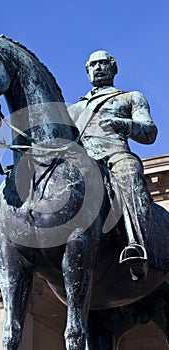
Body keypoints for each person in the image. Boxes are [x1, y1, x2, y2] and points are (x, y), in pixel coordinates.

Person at [68, 50, 158, 279]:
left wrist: (124, 124)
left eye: (102, 64)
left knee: (130, 174)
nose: (98, 68)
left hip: (115, 156)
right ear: (87, 71)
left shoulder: (130, 97)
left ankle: (137, 244)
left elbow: (149, 132)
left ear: (113, 68)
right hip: (82, 162)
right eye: (93, 65)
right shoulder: (73, 110)